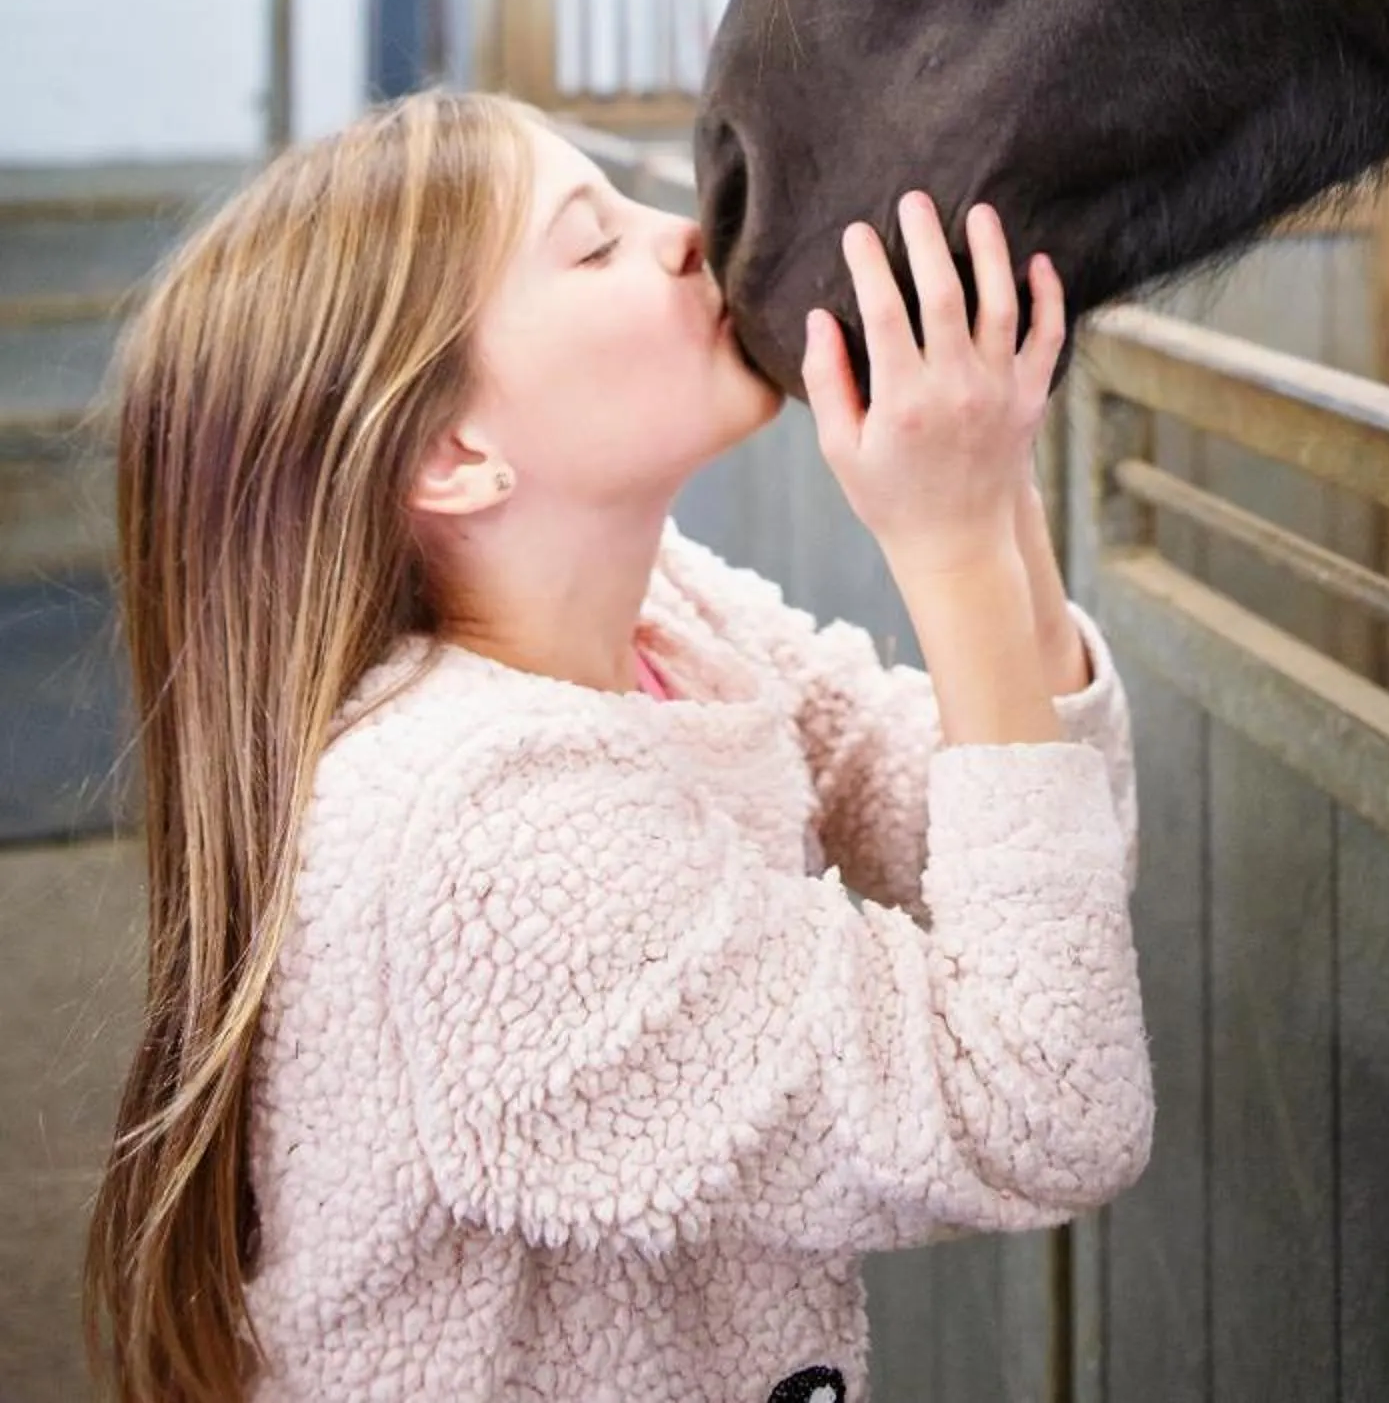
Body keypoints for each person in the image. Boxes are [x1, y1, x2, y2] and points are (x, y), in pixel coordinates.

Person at [86, 90, 1151, 1403]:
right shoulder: (488, 839)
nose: (687, 235)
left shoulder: (665, 622)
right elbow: (1044, 1099)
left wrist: (990, 496)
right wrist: (947, 540)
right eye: (592, 246)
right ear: (457, 454)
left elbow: (1019, 842)